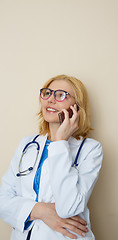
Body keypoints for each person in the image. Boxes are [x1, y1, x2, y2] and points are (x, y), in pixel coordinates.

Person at [0, 74, 103, 240]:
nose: (50, 100)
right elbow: (3, 200)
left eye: (61, 95)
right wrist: (39, 211)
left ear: (77, 107)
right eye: (47, 93)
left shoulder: (90, 149)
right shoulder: (27, 143)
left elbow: (69, 208)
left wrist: (60, 142)